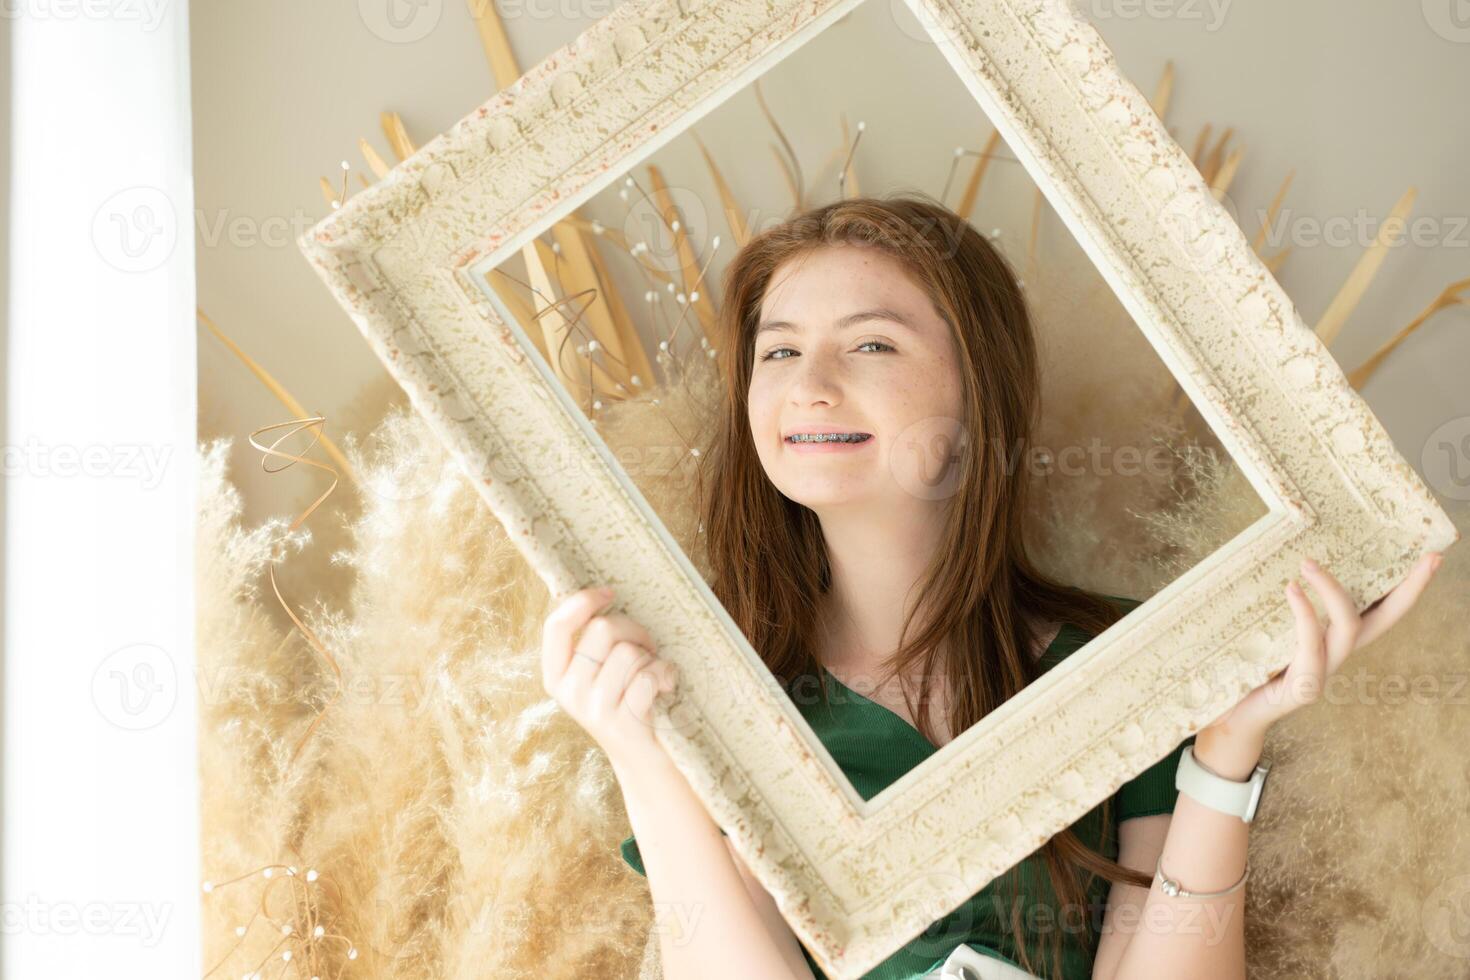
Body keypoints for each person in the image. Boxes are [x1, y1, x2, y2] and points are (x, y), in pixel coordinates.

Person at [539, 193, 1444, 980]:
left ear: (980, 385)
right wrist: (645, 757)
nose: (808, 387)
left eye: (871, 343)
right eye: (777, 354)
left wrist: (1224, 751)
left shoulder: (1129, 658)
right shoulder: (719, 689)